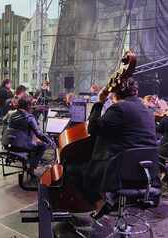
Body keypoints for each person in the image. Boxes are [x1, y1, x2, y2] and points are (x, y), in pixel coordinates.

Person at [68, 78, 159, 219]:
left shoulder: (119, 108)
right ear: (136, 92)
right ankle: (110, 202)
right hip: (146, 171)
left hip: (122, 172)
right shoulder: (146, 110)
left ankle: (100, 202)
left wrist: (99, 102)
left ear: (115, 94)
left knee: (72, 169)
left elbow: (92, 128)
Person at [2, 96, 55, 172]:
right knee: (42, 145)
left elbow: (5, 122)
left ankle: (29, 162)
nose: (32, 107)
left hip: (7, 144)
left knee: (32, 142)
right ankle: (32, 167)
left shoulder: (11, 114)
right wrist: (50, 141)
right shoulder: (29, 117)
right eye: (31, 105)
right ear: (28, 106)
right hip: (21, 146)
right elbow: (39, 134)